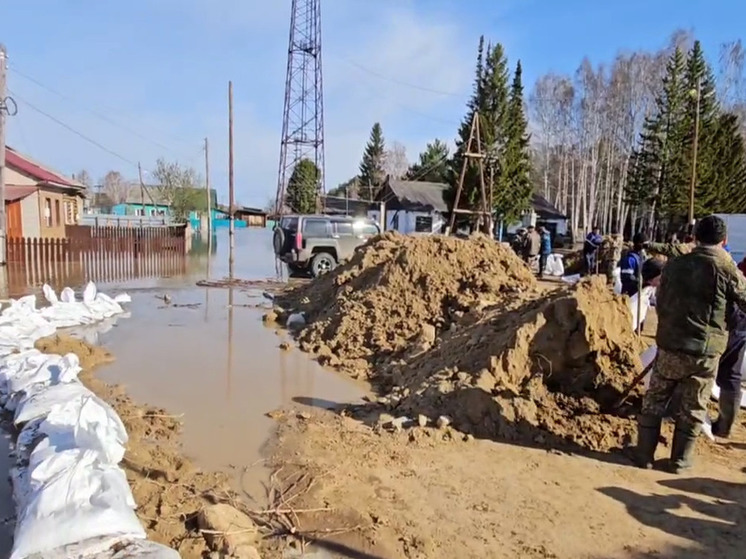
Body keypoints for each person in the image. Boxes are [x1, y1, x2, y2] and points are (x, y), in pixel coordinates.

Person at [635, 215, 746, 473]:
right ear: (724, 240)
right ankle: (680, 462)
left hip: (671, 344)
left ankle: (643, 456)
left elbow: (661, 301)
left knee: (655, 399)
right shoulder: (728, 268)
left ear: (695, 237)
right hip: (705, 352)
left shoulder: (675, 265)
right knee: (694, 405)